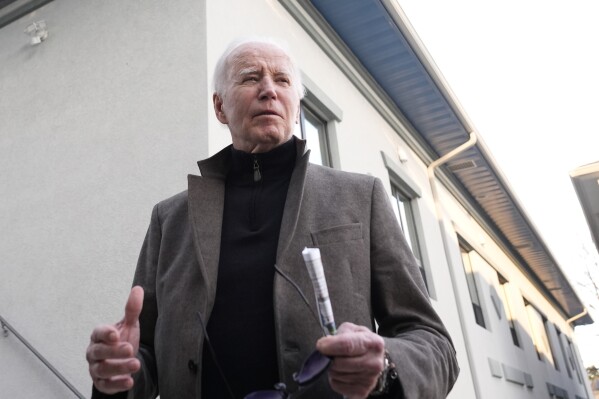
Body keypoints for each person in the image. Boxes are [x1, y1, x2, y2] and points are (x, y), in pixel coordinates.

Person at [86, 37, 459, 399]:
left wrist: (387, 367)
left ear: (296, 106)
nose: (269, 90)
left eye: (282, 80)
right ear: (219, 107)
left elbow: (434, 343)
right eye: (250, 78)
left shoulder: (361, 197)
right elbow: (144, 358)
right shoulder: (170, 219)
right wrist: (117, 374)